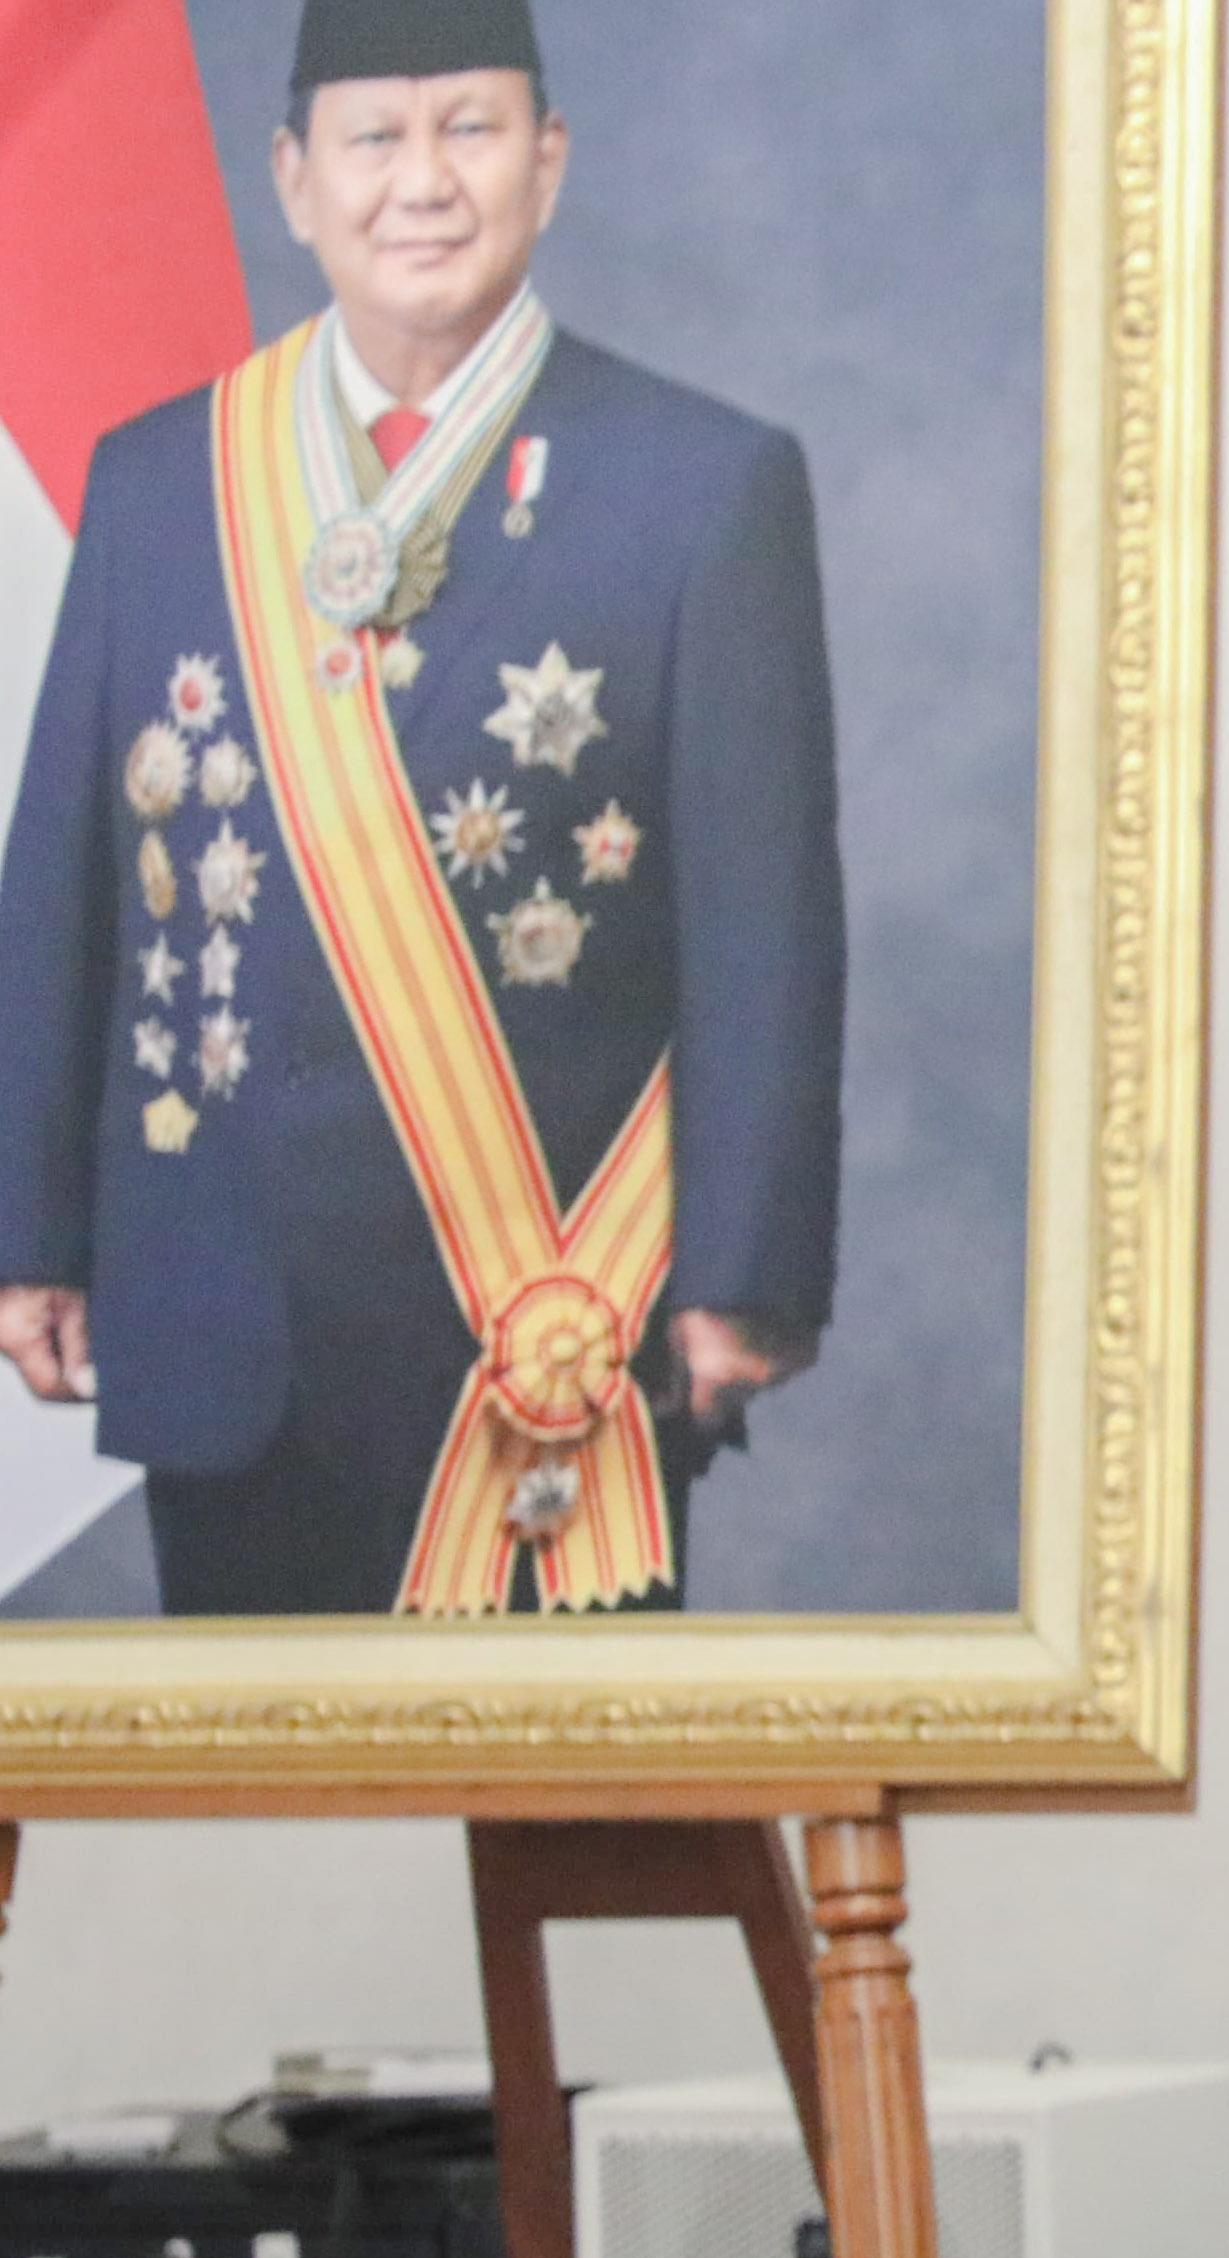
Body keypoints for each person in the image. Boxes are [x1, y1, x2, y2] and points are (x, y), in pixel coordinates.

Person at [0, 0, 843, 1615]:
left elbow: (767, 929)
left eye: (470, 127)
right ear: (292, 180)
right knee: (243, 1767)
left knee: (568, 1781)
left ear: (549, 160)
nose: (423, 181)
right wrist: (29, 1222)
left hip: (557, 1318)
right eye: (374, 137)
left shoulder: (699, 485)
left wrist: (746, 1272)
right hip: (223, 1307)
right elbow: (64, 873)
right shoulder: (161, 480)